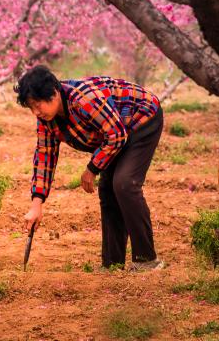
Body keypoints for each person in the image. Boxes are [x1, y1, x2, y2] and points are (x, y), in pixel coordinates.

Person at [17, 65, 165, 271]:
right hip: (115, 132)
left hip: (141, 117)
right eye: (31, 107)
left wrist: (92, 168)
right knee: (108, 190)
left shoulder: (83, 100)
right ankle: (112, 264)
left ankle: (147, 260)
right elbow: (44, 157)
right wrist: (36, 204)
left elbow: (116, 135)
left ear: (54, 93)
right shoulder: (46, 120)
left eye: (38, 105)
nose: (36, 112)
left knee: (124, 184)